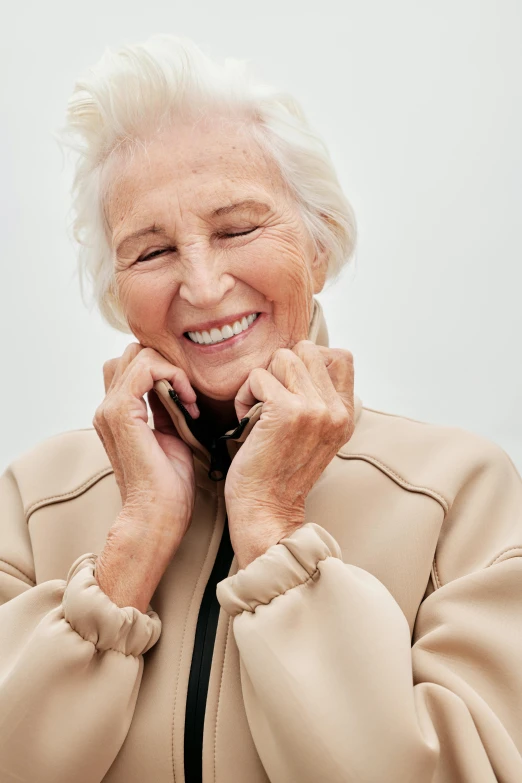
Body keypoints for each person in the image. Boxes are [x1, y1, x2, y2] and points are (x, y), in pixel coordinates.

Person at [0, 34, 521, 783]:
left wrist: (274, 525)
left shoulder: (461, 493)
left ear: (321, 243)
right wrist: (134, 539)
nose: (205, 285)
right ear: (118, 294)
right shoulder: (32, 501)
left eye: (238, 228)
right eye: (151, 252)